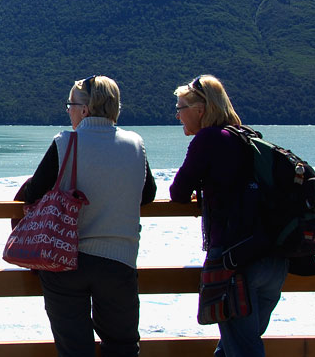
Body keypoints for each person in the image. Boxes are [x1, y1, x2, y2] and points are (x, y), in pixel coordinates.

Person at [21, 75, 156, 357]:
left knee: (75, 349)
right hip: (119, 262)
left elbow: (33, 191)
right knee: (122, 346)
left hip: (66, 259)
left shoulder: (66, 143)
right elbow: (147, 194)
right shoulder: (135, 144)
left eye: (71, 103)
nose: (68, 110)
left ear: (85, 109)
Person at [169, 74, 288, 356]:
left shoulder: (209, 139)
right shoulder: (247, 137)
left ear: (201, 109)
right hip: (273, 261)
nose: (177, 116)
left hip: (236, 262)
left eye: (181, 108)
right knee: (233, 346)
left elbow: (178, 192)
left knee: (243, 350)